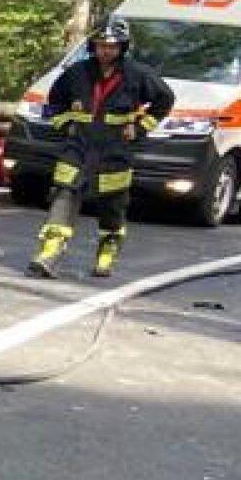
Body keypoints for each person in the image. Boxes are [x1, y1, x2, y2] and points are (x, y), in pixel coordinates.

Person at [27, 15, 173, 281]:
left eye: (112, 46)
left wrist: (139, 127)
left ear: (122, 47)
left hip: (114, 149)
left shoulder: (138, 75)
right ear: (93, 46)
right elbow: (54, 102)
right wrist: (65, 125)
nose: (106, 51)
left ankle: (107, 250)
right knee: (63, 193)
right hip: (78, 145)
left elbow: (165, 99)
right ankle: (49, 252)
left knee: (112, 204)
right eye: (101, 45)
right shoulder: (77, 72)